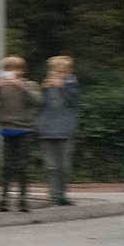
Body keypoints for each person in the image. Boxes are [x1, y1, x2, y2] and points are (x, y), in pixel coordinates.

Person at [0, 55, 42, 212]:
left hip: (24, 129)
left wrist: (21, 87)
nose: (13, 72)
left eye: (16, 69)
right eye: (9, 69)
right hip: (6, 129)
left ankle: (23, 199)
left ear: (22, 70)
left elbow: (37, 101)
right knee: (5, 167)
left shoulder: (30, 85)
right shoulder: (1, 87)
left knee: (22, 167)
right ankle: (3, 199)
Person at [37, 55, 82, 205]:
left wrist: (62, 87)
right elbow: (37, 104)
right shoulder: (47, 86)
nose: (57, 74)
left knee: (64, 166)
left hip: (65, 130)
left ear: (68, 71)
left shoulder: (71, 85)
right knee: (51, 166)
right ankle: (54, 196)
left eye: (61, 71)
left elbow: (74, 101)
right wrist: (42, 91)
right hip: (47, 130)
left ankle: (62, 194)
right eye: (55, 71)